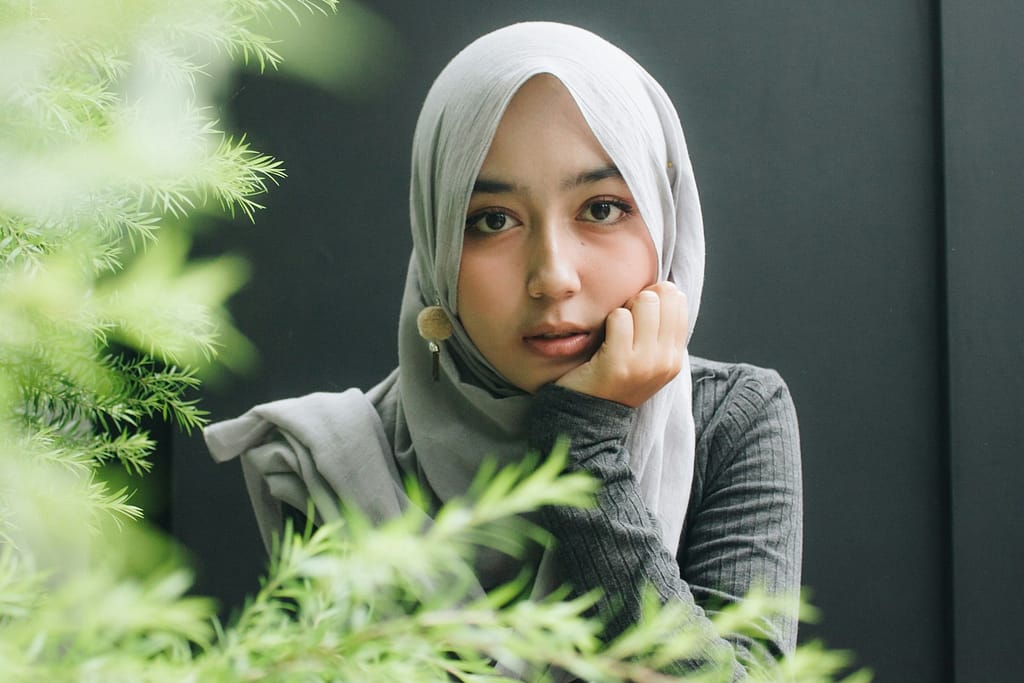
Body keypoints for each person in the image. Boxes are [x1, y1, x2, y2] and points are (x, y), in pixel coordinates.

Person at [205, 21, 802, 679]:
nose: (553, 275)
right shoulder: (336, 465)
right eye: (493, 220)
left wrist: (583, 447)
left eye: (601, 208)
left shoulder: (732, 419)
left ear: (663, 220)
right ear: (437, 243)